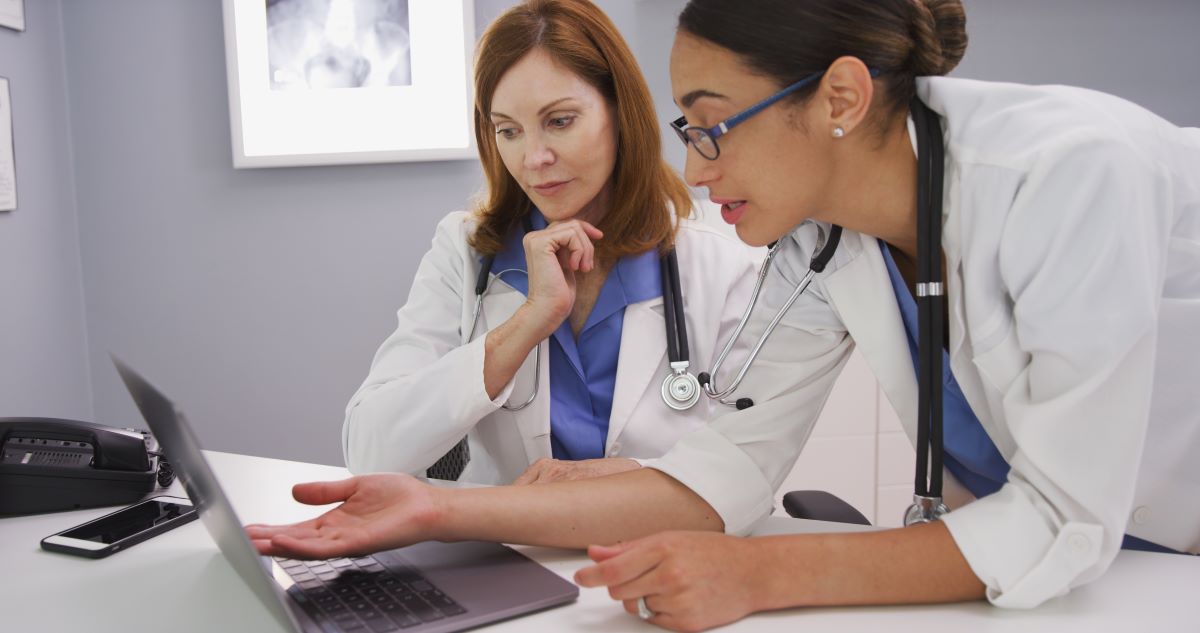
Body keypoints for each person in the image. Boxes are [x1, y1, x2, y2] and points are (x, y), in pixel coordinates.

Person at [249, 1, 1199, 631]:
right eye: (688, 131)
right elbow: (725, 469)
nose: (698, 171)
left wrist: (761, 576)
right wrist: (437, 504)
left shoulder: (1069, 174)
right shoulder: (820, 241)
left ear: (839, 97)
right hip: (1063, 577)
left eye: (712, 123)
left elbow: (1065, 518)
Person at [339, 0, 755, 487]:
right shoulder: (466, 250)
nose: (533, 158)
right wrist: (525, 324)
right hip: (507, 551)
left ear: (619, 112)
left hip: (663, 544)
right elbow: (369, 451)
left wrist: (631, 476)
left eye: (560, 120)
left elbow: (749, 462)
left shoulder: (719, 256)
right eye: (508, 130)